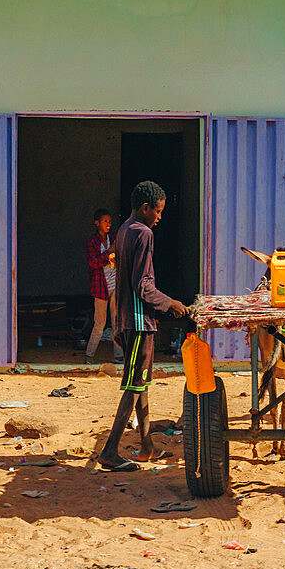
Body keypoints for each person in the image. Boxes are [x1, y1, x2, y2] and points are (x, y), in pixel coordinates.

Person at [98, 180, 187, 472]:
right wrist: (171, 304)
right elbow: (143, 285)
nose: (160, 217)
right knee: (134, 385)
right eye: (158, 211)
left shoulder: (124, 229)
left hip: (123, 318)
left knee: (142, 383)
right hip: (138, 321)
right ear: (146, 208)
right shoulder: (143, 233)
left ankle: (147, 447)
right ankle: (110, 450)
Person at [85, 208, 123, 362]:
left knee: (116, 321)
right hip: (100, 287)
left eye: (109, 221)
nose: (108, 224)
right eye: (105, 221)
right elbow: (93, 262)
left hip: (115, 284)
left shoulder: (113, 238)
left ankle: (119, 356)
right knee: (99, 323)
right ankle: (89, 356)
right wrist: (110, 252)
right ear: (97, 223)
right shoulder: (92, 242)